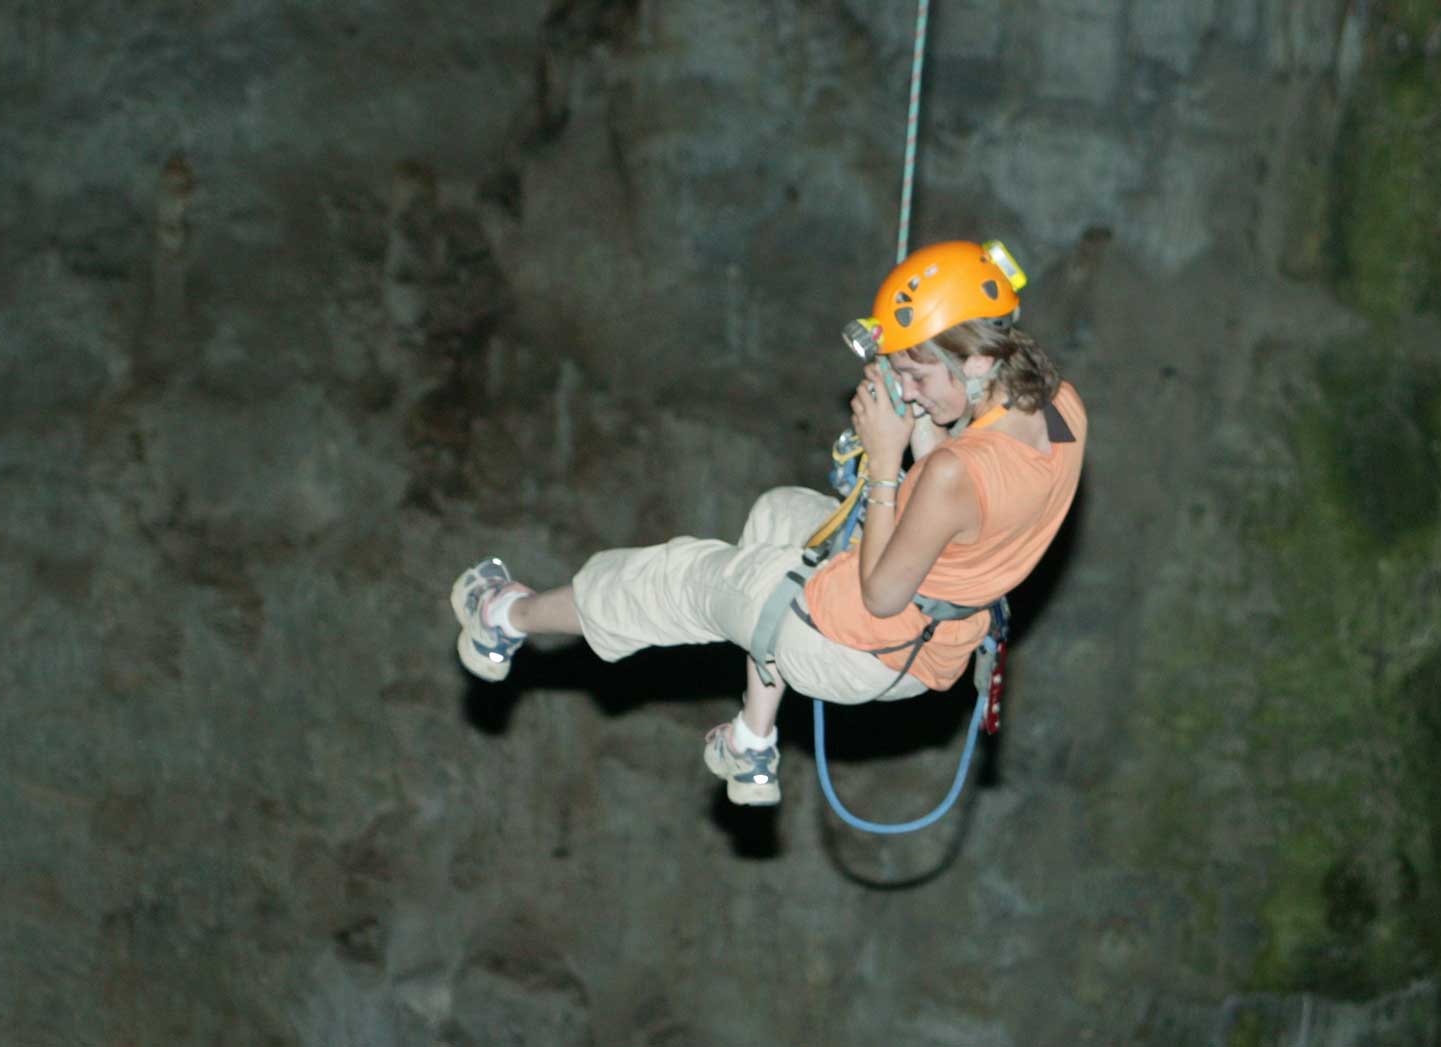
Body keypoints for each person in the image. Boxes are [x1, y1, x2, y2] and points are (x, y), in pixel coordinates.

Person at [449, 240, 1087, 806]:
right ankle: (753, 742)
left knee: (682, 581)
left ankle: (503, 619)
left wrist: (887, 457)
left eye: (916, 376)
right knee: (781, 513)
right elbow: (965, 505)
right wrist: (913, 407)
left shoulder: (956, 472)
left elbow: (888, 583)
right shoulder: (1059, 409)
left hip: (862, 645)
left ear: (976, 364)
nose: (909, 390)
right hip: (935, 631)